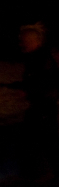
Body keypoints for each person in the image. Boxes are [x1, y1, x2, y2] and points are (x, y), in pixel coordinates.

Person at [5, 23, 59, 176]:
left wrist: (28, 91)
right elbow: (36, 80)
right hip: (42, 105)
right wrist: (18, 86)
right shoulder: (35, 58)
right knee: (38, 138)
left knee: (44, 139)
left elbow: (47, 83)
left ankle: (42, 173)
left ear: (35, 42)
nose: (21, 44)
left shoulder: (42, 59)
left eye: (24, 41)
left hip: (45, 105)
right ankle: (37, 172)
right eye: (21, 41)